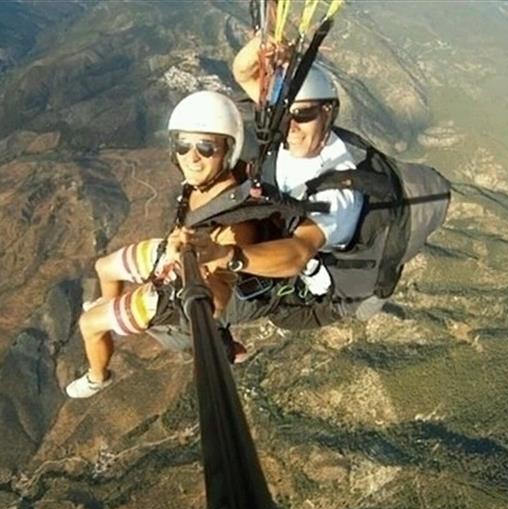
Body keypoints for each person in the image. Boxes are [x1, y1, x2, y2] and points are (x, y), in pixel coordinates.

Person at [182, 35, 386, 333]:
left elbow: (298, 252)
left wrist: (228, 256)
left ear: (328, 112)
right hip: (270, 230)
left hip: (291, 289)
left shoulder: (337, 187)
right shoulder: (295, 133)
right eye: (284, 113)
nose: (290, 125)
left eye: (303, 113)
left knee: (179, 326)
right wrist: (266, 42)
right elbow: (243, 72)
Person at [65, 90, 256, 399]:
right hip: (174, 255)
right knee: (105, 267)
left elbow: (219, 298)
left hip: (173, 294)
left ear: (227, 150)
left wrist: (197, 275)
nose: (192, 157)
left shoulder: (235, 222)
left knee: (88, 323)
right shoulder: (204, 183)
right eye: (184, 145)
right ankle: (108, 311)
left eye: (206, 147)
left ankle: (97, 376)